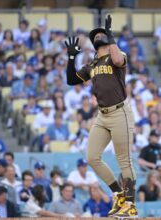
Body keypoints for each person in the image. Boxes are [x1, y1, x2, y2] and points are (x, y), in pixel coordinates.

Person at [65, 14, 138, 218]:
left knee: (124, 160)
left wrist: (111, 34)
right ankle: (118, 194)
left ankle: (130, 206)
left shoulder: (117, 54)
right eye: (94, 35)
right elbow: (71, 80)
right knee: (92, 157)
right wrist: (71, 58)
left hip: (120, 111)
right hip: (103, 115)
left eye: (101, 34)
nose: (98, 36)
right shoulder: (92, 64)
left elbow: (117, 59)